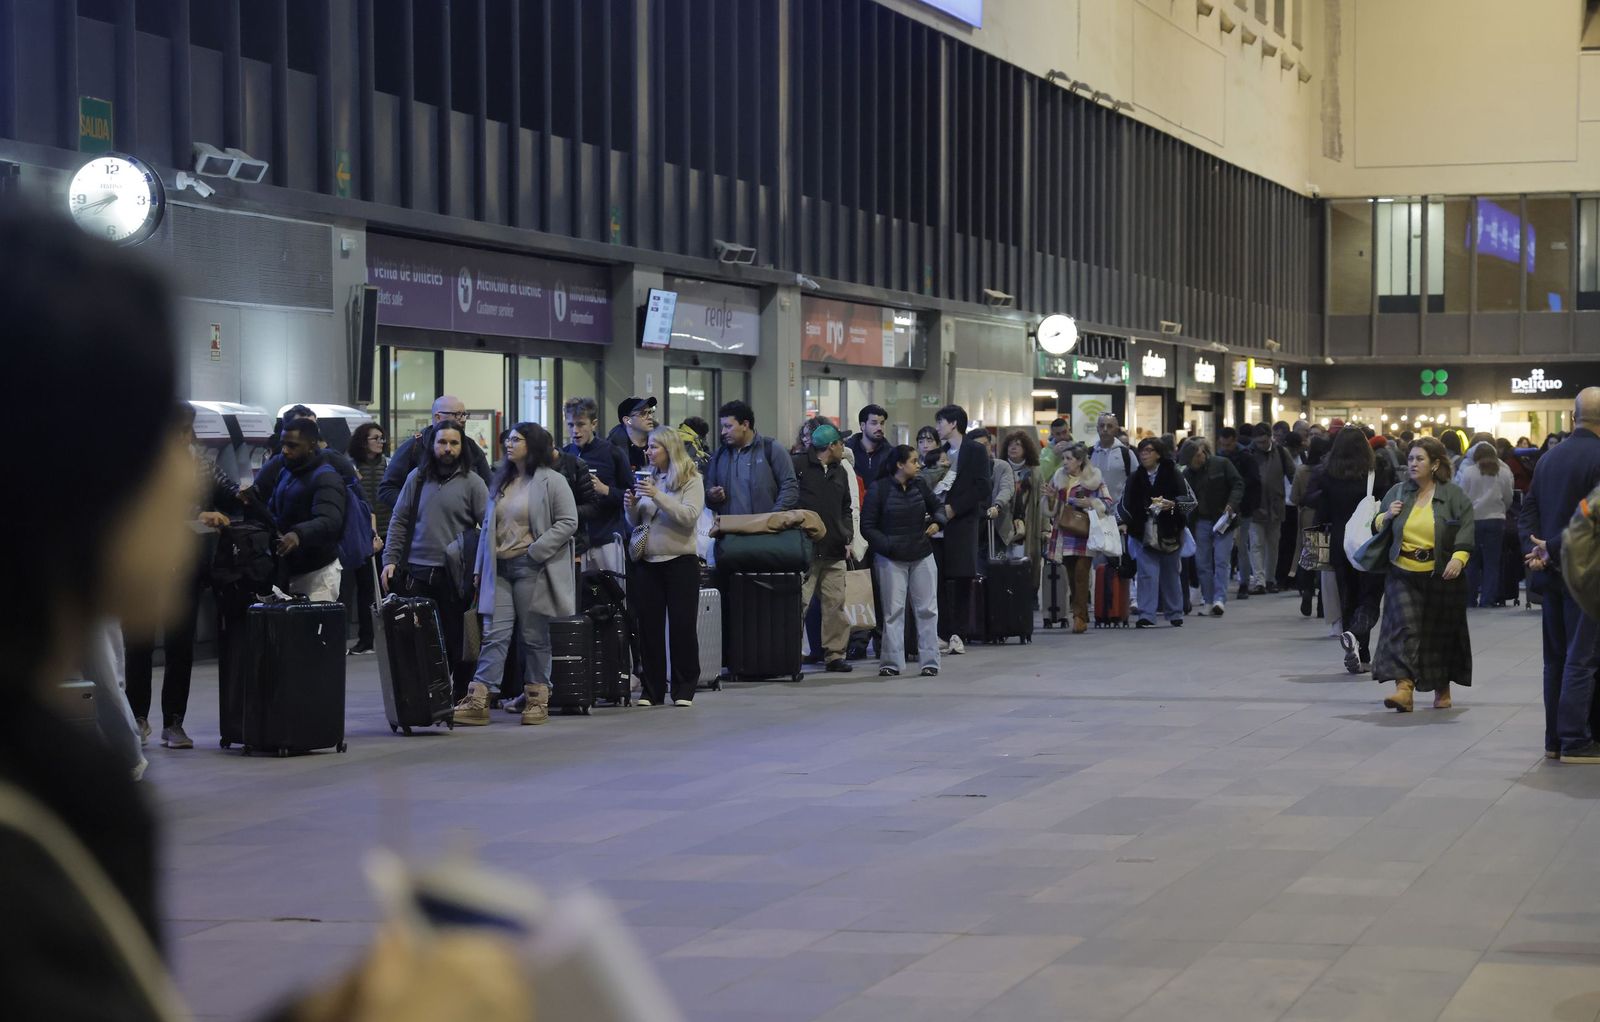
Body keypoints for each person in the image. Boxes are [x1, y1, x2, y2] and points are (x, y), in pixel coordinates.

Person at [0, 209, 530, 1021]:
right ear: (72, 475)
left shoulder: (53, 772)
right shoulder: (28, 832)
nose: (188, 485)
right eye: (160, 449)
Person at [124, 404, 243, 750]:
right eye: (176, 431)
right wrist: (198, 512)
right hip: (145, 569)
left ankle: (174, 722)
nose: (182, 437)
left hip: (187, 569)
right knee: (139, 647)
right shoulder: (142, 463)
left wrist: (239, 501)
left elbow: (228, 489)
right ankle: (137, 717)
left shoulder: (200, 463)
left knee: (180, 648)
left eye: (186, 431)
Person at [464, 423, 579, 726]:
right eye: (508, 439)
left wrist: (536, 550)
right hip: (498, 569)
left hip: (532, 568)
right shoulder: (501, 482)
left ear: (534, 445)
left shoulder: (552, 481)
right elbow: (488, 528)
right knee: (495, 635)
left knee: (533, 636)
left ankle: (538, 699)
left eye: (517, 439)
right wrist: (479, 569)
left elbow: (568, 521)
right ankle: (479, 697)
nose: (509, 444)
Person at [383, 420, 489, 709]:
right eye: (442, 442)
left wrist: (482, 572)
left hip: (456, 578)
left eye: (454, 443)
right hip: (416, 574)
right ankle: (424, 700)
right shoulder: (416, 478)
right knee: (418, 643)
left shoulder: (473, 483)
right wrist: (390, 560)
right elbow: (399, 521)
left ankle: (458, 700)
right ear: (432, 445)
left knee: (460, 644)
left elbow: (489, 529)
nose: (447, 448)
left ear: (462, 447)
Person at [1520, 388, 1600, 761]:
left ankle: (1554, 739)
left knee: (1554, 659)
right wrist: (1551, 546)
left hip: (1549, 575)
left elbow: (1529, 508)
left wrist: (1536, 550)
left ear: (1572, 417)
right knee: (1582, 658)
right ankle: (1575, 739)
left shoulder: (1550, 458)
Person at [1366, 437, 1474, 712]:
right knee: (1405, 628)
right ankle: (1404, 689)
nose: (1412, 464)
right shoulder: (1397, 492)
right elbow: (1377, 525)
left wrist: (1459, 558)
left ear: (1435, 464)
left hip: (1440, 574)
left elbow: (1466, 530)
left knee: (1439, 633)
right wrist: (1386, 516)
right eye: (1411, 458)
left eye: (1419, 459)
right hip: (1402, 571)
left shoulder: (1454, 495)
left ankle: (1442, 688)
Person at [624, 426, 707, 705]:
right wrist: (631, 506)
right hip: (648, 562)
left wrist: (657, 495)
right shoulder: (649, 479)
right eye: (647, 447)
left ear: (669, 449)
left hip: (680, 561)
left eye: (654, 447)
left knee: (682, 626)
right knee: (649, 628)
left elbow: (688, 516)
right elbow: (639, 522)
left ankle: (684, 688)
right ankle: (652, 689)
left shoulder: (691, 479)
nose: (648, 451)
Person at [1306, 428, 1392, 671]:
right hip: (1369, 542)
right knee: (1371, 597)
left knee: (1348, 596)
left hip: (1339, 544)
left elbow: (1320, 512)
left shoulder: (1327, 475)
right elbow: (1386, 506)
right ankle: (1356, 637)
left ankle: (1358, 650)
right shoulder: (1377, 472)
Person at [863, 445, 946, 676]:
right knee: (893, 611)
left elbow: (938, 507)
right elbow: (867, 527)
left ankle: (930, 662)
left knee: (928, 609)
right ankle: (891, 663)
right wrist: (888, 546)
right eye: (914, 461)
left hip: (922, 553)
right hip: (891, 559)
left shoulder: (920, 485)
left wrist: (938, 522)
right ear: (900, 465)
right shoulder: (878, 489)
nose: (918, 465)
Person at [791, 423, 856, 672]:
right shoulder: (798, 466)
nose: (843, 447)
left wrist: (846, 533)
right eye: (841, 443)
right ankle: (789, 652)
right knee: (799, 604)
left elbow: (846, 507)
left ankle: (835, 654)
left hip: (835, 549)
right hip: (805, 549)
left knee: (835, 605)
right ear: (831, 446)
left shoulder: (841, 471)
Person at [263, 417, 347, 602]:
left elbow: (330, 520)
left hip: (319, 574)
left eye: (292, 446)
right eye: (283, 444)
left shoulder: (327, 477)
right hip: (290, 570)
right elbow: (274, 511)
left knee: (316, 630)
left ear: (311, 445)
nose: (285, 450)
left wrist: (298, 534)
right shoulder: (286, 472)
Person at [930, 405, 991, 654]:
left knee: (963, 579)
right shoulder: (938, 453)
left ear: (953, 423)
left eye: (940, 422)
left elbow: (982, 488)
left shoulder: (975, 451)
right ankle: (942, 633)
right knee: (939, 580)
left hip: (963, 523)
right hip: (938, 525)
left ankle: (959, 633)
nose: (938, 427)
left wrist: (955, 508)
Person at [1119, 437, 1197, 628]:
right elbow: (1125, 504)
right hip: (1143, 532)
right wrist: (1125, 522)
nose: (1144, 455)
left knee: (1171, 573)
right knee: (1146, 574)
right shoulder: (1135, 477)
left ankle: (1175, 612)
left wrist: (1173, 505)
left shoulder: (1174, 474)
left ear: (1159, 454)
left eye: (1148, 451)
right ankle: (1147, 614)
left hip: (1171, 531)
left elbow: (1191, 502)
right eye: (1142, 451)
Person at [1043, 444, 1112, 633]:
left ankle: (1079, 617)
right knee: (1071, 576)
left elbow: (1107, 501)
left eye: (1069, 459)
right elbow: (1053, 508)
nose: (1065, 462)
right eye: (1063, 459)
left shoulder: (1094, 477)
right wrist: (1051, 498)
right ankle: (1081, 611)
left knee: (1082, 574)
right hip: (1064, 532)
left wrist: (1090, 503)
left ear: (1080, 460)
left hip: (1085, 533)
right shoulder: (1059, 478)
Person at [377, 394, 492, 508]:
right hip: (420, 524)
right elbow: (387, 490)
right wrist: (416, 509)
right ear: (438, 417)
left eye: (464, 415)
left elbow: (491, 486)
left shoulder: (471, 447)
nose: (463, 420)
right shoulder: (414, 447)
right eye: (457, 415)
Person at [563, 395, 632, 575]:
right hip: (574, 543)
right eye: (571, 425)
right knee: (579, 598)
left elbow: (632, 494)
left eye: (581, 424)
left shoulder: (613, 453)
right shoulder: (565, 455)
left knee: (612, 596)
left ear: (593, 424)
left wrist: (606, 490)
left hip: (607, 540)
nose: (575, 431)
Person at [1182, 439, 1243, 617]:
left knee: (1221, 560)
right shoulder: (1187, 474)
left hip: (1224, 520)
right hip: (1200, 521)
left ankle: (1219, 599)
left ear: (1201, 454)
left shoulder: (1221, 464)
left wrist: (1232, 504)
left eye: (1195, 458)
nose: (1195, 463)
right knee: (1202, 563)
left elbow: (1238, 484)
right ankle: (1208, 600)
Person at [706, 399, 799, 515]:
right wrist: (711, 496)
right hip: (729, 530)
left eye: (728, 426)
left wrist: (773, 518)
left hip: (765, 530)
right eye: (722, 427)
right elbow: (709, 489)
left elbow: (789, 488)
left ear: (745, 425)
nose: (723, 432)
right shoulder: (719, 455)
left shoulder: (772, 449)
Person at [345, 421, 390, 654]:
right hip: (362, 535)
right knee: (364, 589)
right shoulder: (350, 466)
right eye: (376, 438)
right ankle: (366, 638)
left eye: (382, 438)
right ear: (364, 441)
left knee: (385, 587)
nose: (381, 442)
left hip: (386, 533)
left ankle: (387, 637)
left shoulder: (389, 465)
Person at [1456, 441, 1514, 609]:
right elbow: (1508, 497)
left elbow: (1462, 496)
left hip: (1472, 520)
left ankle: (1470, 599)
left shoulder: (1468, 472)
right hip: (1496, 520)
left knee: (1471, 562)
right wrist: (1502, 509)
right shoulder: (1503, 472)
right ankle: (1488, 599)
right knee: (1492, 563)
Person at [1246, 423, 1296, 595]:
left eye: (1264, 441)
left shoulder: (1281, 453)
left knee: (1273, 545)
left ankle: (1270, 579)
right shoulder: (1249, 454)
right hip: (1255, 507)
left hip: (1276, 507)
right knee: (1257, 545)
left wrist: (1297, 497)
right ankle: (1259, 581)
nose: (1261, 445)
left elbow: (1292, 475)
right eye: (1258, 442)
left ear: (1270, 438)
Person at [1217, 425, 1261, 599]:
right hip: (1224, 508)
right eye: (1223, 445)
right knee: (1226, 546)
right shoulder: (1220, 456)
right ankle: (1228, 583)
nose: (1225, 448)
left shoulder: (1246, 457)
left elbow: (1254, 482)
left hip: (1243, 508)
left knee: (1241, 545)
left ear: (1234, 440)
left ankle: (1244, 582)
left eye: (1228, 445)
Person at [1003, 430, 1045, 599]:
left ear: (1026, 449)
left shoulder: (1035, 473)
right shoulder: (999, 468)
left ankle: (1028, 595)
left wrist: (1045, 529)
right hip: (1004, 524)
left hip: (1029, 525)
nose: (1013, 447)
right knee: (1004, 562)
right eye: (1011, 444)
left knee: (1026, 561)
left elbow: (1042, 503)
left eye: (1018, 444)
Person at [970, 427, 1015, 559]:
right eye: (978, 446)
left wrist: (997, 505)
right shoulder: (966, 468)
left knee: (997, 570)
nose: (982, 449)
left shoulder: (1001, 466)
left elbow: (1007, 488)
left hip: (995, 527)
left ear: (991, 445)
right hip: (974, 526)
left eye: (985, 445)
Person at [1089, 411, 1134, 504]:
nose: (1105, 429)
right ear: (1097, 429)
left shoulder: (1126, 454)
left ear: (1116, 430)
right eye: (1101, 426)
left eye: (1109, 426)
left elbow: (1137, 483)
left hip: (1119, 513)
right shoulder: (1089, 453)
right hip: (1093, 512)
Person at [845, 403, 895, 484]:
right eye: (874, 423)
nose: (879, 428)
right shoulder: (848, 451)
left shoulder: (891, 454)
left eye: (882, 423)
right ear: (862, 426)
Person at [608, 395, 656, 471]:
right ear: (628, 421)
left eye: (650, 412)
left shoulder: (658, 442)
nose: (650, 417)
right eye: (643, 413)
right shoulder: (613, 449)